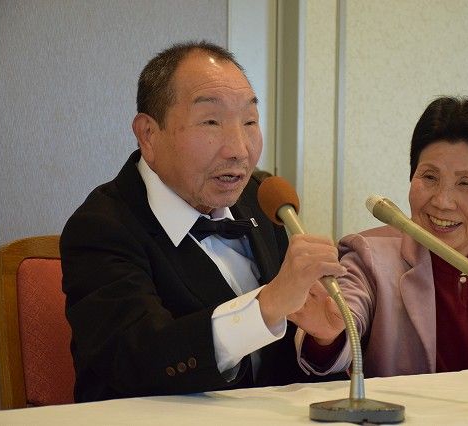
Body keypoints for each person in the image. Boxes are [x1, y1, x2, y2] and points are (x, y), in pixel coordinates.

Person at [60, 40, 346, 402]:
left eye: (250, 122)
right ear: (148, 134)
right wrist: (267, 305)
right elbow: (136, 361)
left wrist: (321, 339)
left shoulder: (262, 200)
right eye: (211, 122)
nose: (239, 149)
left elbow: (279, 366)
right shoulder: (102, 226)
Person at [293, 96, 468, 378]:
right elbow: (343, 324)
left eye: (465, 183)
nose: (442, 201)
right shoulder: (368, 255)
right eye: (430, 177)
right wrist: (328, 337)